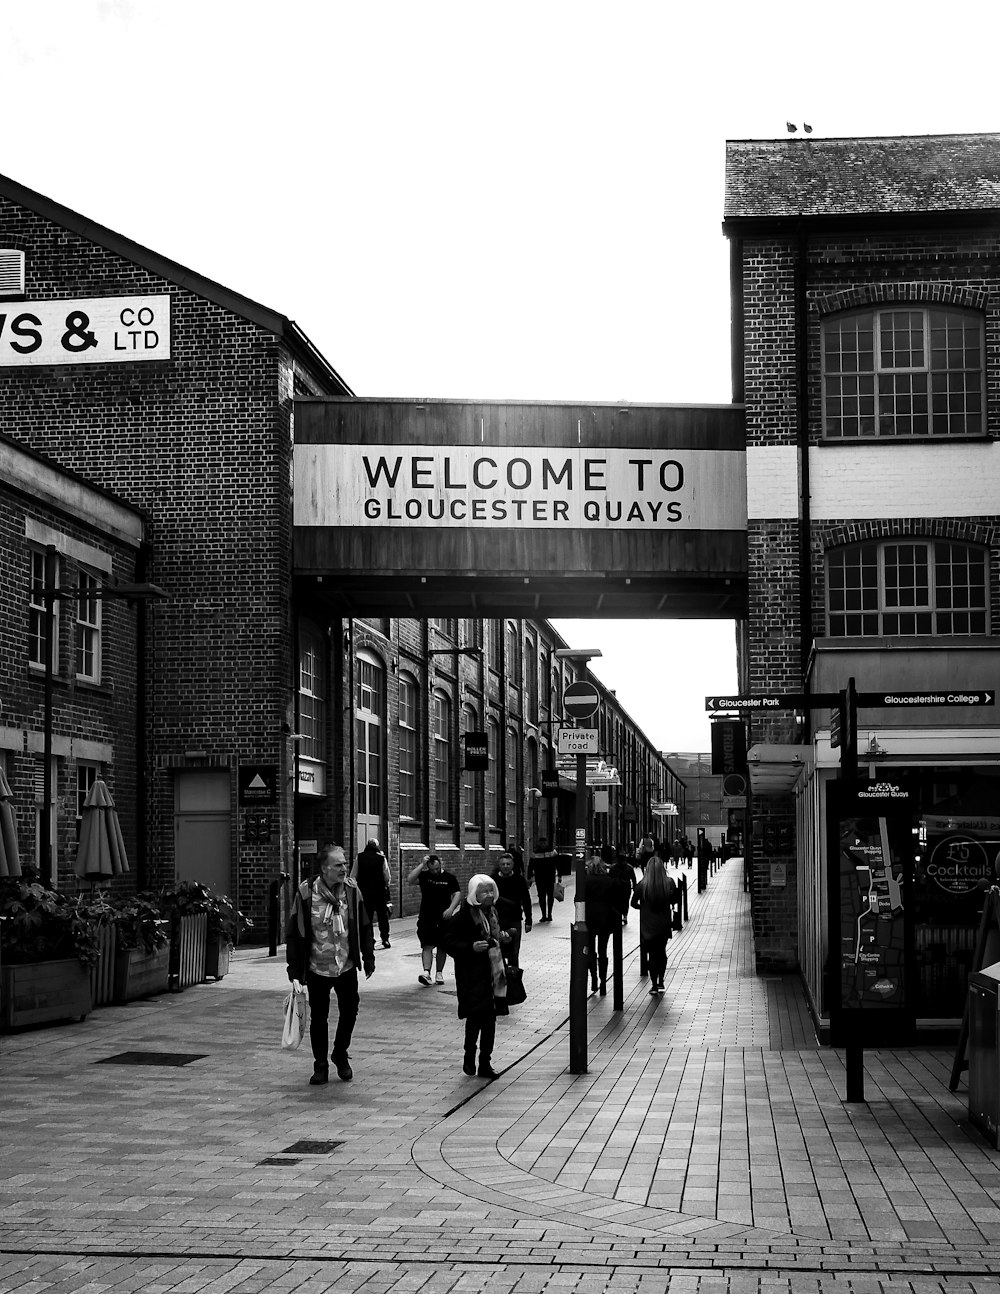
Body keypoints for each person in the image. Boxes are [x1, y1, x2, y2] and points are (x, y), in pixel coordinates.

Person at [285, 843, 375, 1086]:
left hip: (344, 965)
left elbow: (365, 924)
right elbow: (294, 932)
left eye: (345, 863)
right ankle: (320, 1066)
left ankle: (340, 1053)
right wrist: (294, 969)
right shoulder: (306, 893)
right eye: (339, 865)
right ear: (324, 869)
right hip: (317, 967)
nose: (344, 868)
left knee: (350, 1010)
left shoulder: (352, 891)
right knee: (319, 1017)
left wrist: (368, 956)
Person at [443, 874, 510, 1080]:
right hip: (472, 975)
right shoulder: (462, 917)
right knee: (475, 1017)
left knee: (490, 1019)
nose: (489, 895)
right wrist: (470, 947)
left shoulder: (494, 912)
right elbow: (449, 943)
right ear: (474, 894)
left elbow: (498, 935)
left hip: (494, 973)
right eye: (484, 891)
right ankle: (469, 1055)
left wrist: (505, 937)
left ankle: (485, 1063)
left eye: (491, 891)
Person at [407, 852, 460, 985]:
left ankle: (439, 973)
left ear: (440, 864)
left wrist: (451, 909)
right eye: (432, 869)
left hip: (443, 917)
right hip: (426, 916)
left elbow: (457, 894)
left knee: (442, 946)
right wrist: (421, 865)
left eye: (437, 868)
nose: (435, 871)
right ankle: (426, 973)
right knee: (427, 945)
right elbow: (410, 879)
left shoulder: (449, 878)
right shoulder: (425, 876)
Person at [632, 845, 677, 996]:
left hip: (648, 925)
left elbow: (633, 903)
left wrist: (642, 908)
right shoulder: (669, 883)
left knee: (651, 955)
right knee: (661, 952)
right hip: (663, 923)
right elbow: (675, 899)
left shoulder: (642, 885)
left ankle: (653, 984)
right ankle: (661, 980)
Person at [584, 852, 629, 995]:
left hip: (588, 919)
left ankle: (593, 978)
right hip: (605, 919)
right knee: (602, 950)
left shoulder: (585, 881)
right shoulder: (609, 881)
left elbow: (577, 900)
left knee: (590, 949)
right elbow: (619, 894)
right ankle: (603, 980)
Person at [491, 850, 532, 969]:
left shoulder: (519, 880)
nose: (505, 867)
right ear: (499, 865)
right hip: (497, 920)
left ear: (512, 865)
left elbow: (526, 899)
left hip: (514, 918)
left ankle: (513, 979)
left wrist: (528, 920)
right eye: (503, 864)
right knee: (498, 951)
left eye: (508, 864)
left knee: (514, 952)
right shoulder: (493, 880)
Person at [355, 838, 393, 949]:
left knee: (368, 918)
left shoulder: (359, 857)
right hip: (379, 892)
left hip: (365, 892)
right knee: (383, 917)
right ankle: (385, 939)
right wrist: (386, 886)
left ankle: (369, 940)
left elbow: (353, 875)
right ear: (377, 846)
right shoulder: (381, 858)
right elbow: (387, 876)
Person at [604, 842, 637, 924]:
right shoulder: (629, 868)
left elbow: (609, 878)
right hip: (626, 887)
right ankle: (625, 916)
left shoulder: (613, 868)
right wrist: (635, 887)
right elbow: (633, 878)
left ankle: (618, 916)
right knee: (625, 902)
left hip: (616, 887)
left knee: (616, 902)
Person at [527, 837, 558, 922]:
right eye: (542, 843)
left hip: (549, 877)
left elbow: (558, 863)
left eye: (544, 843)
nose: (543, 844)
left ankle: (549, 914)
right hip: (540, 878)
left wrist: (560, 876)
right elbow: (530, 866)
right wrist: (529, 877)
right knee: (542, 896)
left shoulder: (552, 852)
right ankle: (544, 915)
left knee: (550, 896)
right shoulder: (535, 853)